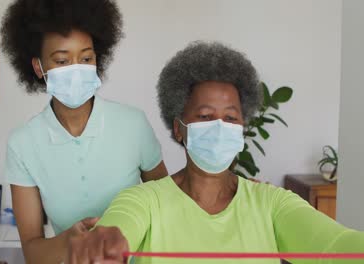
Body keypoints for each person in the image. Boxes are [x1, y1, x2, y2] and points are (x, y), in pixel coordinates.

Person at [66, 42, 364, 264]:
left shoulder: (272, 203)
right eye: (206, 116)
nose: (220, 127)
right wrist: (103, 243)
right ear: (179, 128)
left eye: (231, 118)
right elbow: (118, 228)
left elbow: (334, 245)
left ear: (242, 128)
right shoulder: (144, 201)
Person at [0, 0, 168, 263]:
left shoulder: (133, 124)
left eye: (86, 58)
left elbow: (165, 206)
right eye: (62, 60)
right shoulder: (23, 144)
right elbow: (33, 253)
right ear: (38, 67)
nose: (76, 69)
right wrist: (69, 241)